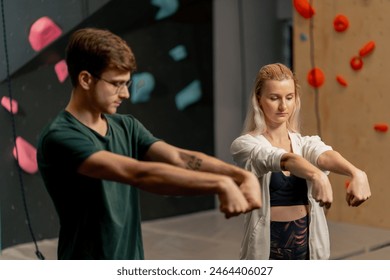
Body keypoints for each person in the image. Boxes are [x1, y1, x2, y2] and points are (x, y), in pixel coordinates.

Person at [36, 28, 261, 260]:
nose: (125, 94)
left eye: (127, 84)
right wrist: (220, 184)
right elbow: (137, 174)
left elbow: (178, 158)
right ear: (85, 79)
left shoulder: (126, 126)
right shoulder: (60, 136)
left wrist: (241, 176)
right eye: (116, 84)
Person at [230, 63, 371, 260]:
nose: (283, 106)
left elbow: (322, 153)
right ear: (259, 100)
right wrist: (317, 175)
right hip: (268, 251)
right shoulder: (245, 145)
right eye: (274, 98)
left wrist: (357, 173)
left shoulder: (302, 143)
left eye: (289, 98)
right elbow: (277, 158)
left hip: (307, 249)